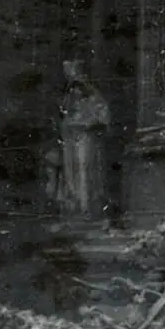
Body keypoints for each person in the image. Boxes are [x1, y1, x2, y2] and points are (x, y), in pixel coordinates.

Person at [57, 60, 111, 220]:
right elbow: (63, 115)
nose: (75, 89)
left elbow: (103, 115)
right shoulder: (69, 98)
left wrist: (91, 123)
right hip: (71, 137)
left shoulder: (93, 97)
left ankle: (87, 208)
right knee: (70, 172)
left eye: (77, 84)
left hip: (86, 137)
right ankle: (75, 208)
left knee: (85, 171)